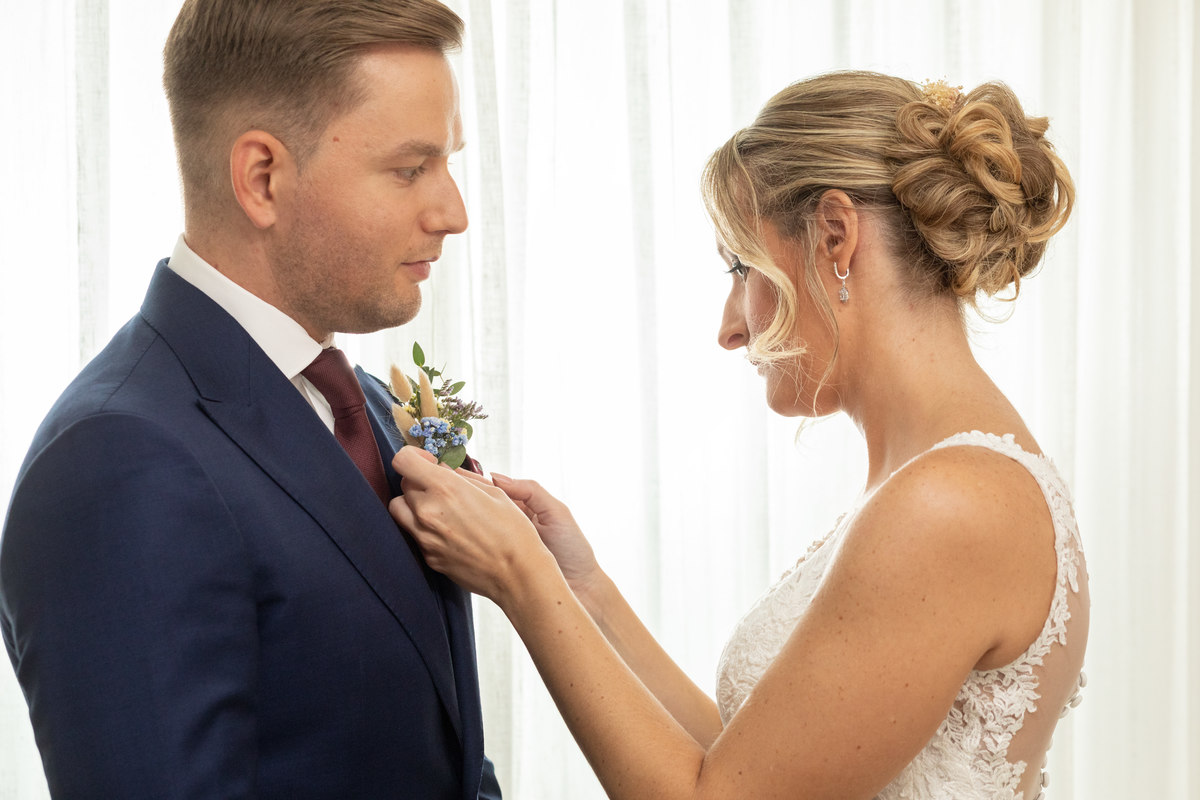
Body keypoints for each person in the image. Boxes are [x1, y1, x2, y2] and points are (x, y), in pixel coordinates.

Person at [390, 71, 1089, 799]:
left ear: (836, 236)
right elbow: (751, 769)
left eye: (742, 267)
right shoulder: (938, 481)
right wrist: (584, 590)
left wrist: (519, 576)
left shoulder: (949, 504)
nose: (730, 327)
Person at [0, 1, 501, 797]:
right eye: (411, 169)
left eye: (448, 163)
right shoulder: (117, 461)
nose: (454, 214)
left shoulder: (368, 406)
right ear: (262, 177)